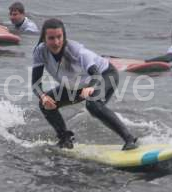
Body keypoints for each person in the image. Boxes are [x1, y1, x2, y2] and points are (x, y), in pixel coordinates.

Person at [31, 18, 138, 151]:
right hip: (77, 84)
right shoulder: (40, 52)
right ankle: (65, 139)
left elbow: (96, 74)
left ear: (64, 36)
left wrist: (90, 87)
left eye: (59, 37)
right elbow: (35, 84)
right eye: (51, 38)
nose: (56, 42)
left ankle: (129, 139)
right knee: (45, 103)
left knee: (93, 104)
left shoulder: (76, 51)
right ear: (44, 38)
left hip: (105, 74)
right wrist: (43, 97)